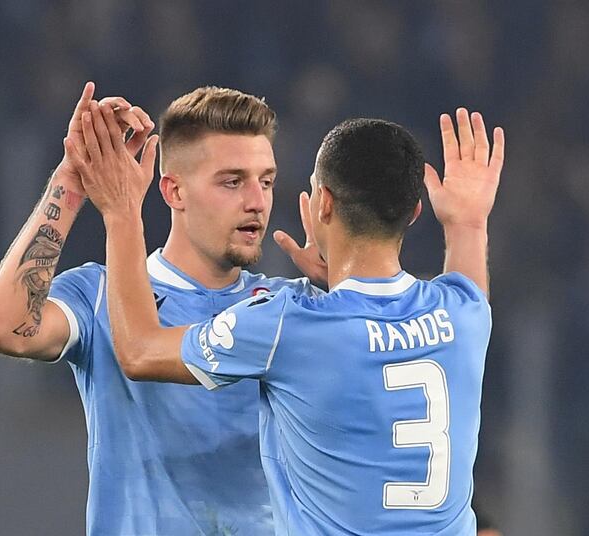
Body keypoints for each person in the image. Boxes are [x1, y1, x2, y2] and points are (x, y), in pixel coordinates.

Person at [68, 102, 504, 534]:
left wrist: (121, 211)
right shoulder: (464, 314)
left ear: (324, 205)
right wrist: (468, 220)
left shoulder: (288, 323)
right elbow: (464, 254)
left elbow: (140, 351)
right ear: (414, 213)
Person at [0, 82, 326, 535]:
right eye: (232, 181)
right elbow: (5, 328)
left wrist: (348, 284)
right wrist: (70, 181)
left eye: (266, 181)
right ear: (174, 191)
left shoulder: (290, 306)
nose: (256, 202)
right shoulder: (102, 292)